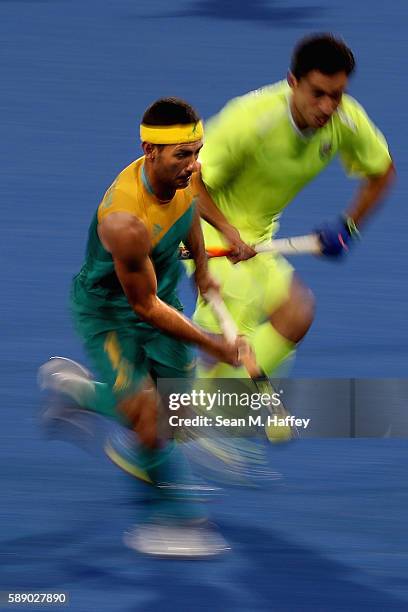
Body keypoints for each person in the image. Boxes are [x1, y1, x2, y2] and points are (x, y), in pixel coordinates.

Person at [39, 97, 248, 557]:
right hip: (112, 314)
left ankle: (76, 393)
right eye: (182, 156)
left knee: (174, 414)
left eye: (197, 153)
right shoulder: (125, 221)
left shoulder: (182, 175)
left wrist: (207, 260)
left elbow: (191, 201)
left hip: (162, 294)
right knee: (149, 421)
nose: (193, 166)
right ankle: (172, 522)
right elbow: (145, 307)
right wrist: (215, 343)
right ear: (149, 150)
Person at [192, 33, 395, 378]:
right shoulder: (249, 119)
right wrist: (229, 232)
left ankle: (200, 407)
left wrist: (349, 226)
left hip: (258, 237)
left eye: (337, 95)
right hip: (208, 230)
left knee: (296, 315)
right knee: (228, 342)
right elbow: (186, 184)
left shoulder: (346, 120)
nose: (328, 106)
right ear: (293, 82)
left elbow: (382, 171)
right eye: (318, 93)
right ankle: (185, 422)